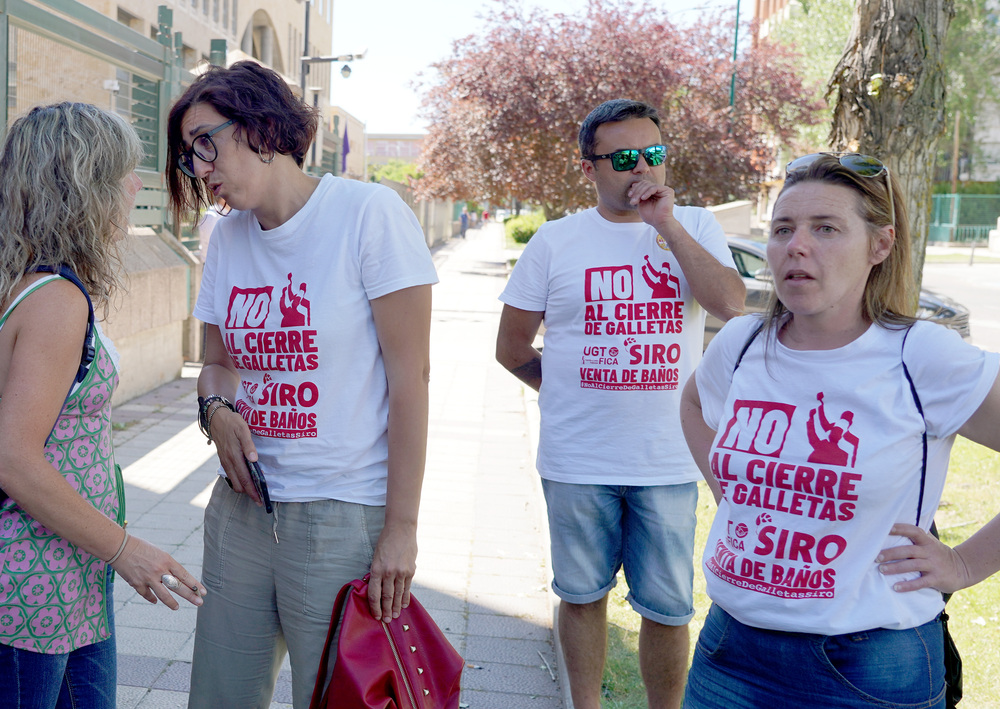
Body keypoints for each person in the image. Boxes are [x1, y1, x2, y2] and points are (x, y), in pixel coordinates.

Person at [679, 152, 1000, 708]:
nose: (796, 246)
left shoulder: (920, 356)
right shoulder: (742, 342)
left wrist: (965, 564)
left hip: (869, 666)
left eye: (826, 228)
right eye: (783, 229)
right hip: (729, 649)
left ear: (880, 245)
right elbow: (692, 403)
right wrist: (729, 490)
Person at [164, 61, 437, 709]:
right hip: (242, 511)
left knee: (338, 698)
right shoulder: (225, 238)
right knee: (220, 697)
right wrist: (217, 409)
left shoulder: (370, 214)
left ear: (261, 124)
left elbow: (412, 379)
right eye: (188, 154)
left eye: (206, 142)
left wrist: (401, 527)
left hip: (342, 513)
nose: (200, 168)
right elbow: (218, 363)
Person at [496, 99, 745, 709]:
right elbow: (511, 348)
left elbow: (731, 305)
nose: (644, 170)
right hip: (578, 459)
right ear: (590, 167)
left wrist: (668, 227)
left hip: (666, 460)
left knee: (668, 606)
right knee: (581, 597)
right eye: (626, 158)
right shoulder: (556, 242)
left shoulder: (694, 227)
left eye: (654, 154)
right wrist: (573, 392)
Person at [0, 102, 205, 708]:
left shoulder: (34, 282)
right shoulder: (53, 298)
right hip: (33, 590)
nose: (135, 186)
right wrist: (128, 551)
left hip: (69, 575)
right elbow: (12, 457)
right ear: (82, 187)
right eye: (123, 172)